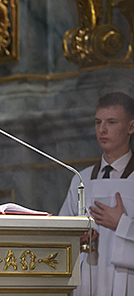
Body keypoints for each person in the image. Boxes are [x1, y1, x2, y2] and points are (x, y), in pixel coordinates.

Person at [59, 92, 134, 296]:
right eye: (98, 122)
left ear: (131, 127)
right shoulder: (81, 180)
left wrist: (122, 224)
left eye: (111, 122)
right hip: (88, 282)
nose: (102, 130)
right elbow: (60, 236)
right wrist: (78, 237)